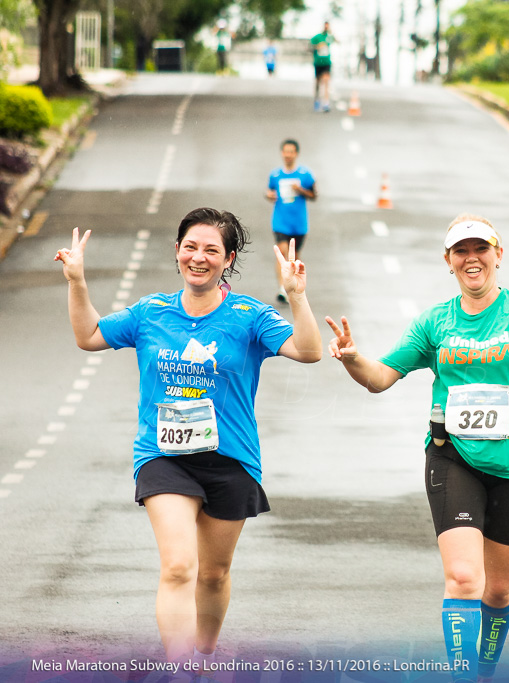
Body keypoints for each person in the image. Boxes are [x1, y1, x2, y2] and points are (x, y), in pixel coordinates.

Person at [325, 214, 509, 681]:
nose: (472, 259)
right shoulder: (435, 322)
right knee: (466, 578)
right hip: (454, 458)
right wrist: (353, 359)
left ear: (498, 254)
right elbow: (379, 378)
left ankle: (484, 668)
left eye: (480, 249)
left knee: (498, 590)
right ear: (448, 261)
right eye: (461, 251)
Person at [53, 208, 322, 669]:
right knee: (179, 566)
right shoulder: (150, 312)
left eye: (211, 250)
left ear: (228, 259)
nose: (199, 258)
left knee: (214, 575)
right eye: (190, 247)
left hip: (231, 458)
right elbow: (90, 335)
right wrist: (77, 281)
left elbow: (309, 350)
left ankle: (203, 657)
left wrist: (297, 296)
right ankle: (179, 670)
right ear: (177, 251)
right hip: (164, 455)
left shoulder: (250, 315)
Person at [265, 139, 317, 302]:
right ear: (282, 153)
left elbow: (314, 195)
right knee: (282, 251)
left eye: (291, 152)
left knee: (295, 256)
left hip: (299, 223)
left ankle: (293, 285)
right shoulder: (275, 175)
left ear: (296, 154)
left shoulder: (305, 174)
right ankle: (282, 288)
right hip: (280, 221)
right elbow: (270, 192)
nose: (287, 155)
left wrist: (300, 190)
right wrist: (269, 195)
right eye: (285, 151)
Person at [310, 21, 334, 112]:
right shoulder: (317, 37)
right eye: (325, 26)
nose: (326, 28)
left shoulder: (330, 37)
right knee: (318, 83)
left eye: (328, 27)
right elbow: (310, 46)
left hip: (327, 63)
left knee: (326, 81)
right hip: (318, 63)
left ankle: (326, 103)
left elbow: (338, 41)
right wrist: (318, 47)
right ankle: (317, 99)